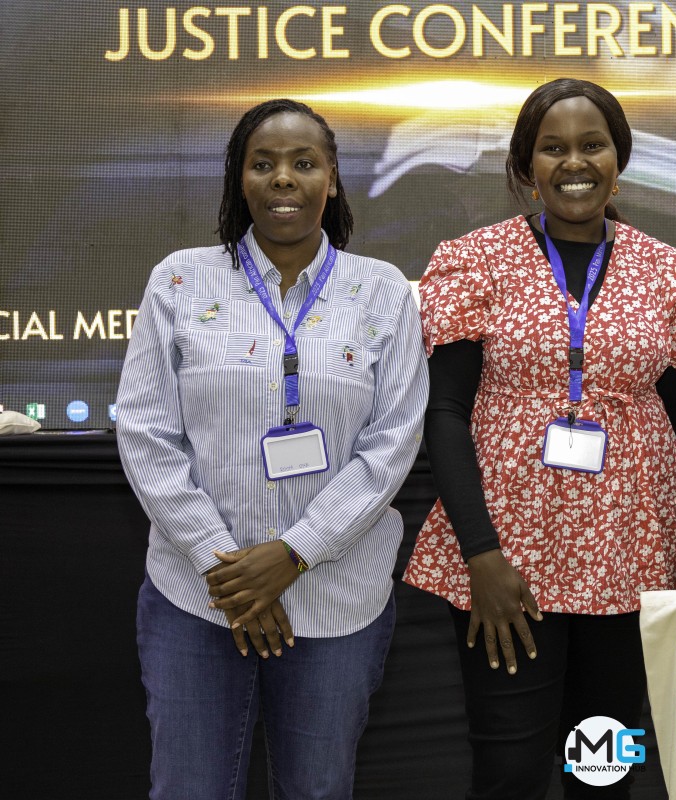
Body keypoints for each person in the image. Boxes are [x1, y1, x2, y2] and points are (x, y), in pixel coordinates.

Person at [402, 77, 676, 799]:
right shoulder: (474, 259)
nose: (575, 163)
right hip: (506, 558)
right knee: (509, 768)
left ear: (619, 157)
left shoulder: (668, 269)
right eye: (553, 148)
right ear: (526, 166)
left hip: (633, 552)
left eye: (592, 145)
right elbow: (445, 412)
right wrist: (481, 555)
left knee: (603, 769)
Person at [116, 98, 428, 799]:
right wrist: (226, 570)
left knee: (318, 791)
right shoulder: (178, 280)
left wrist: (290, 555)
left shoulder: (382, 292)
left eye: (303, 163)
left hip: (334, 600)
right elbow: (145, 432)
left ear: (333, 180)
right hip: (198, 597)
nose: (283, 178)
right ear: (240, 181)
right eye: (263, 164)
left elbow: (391, 444)